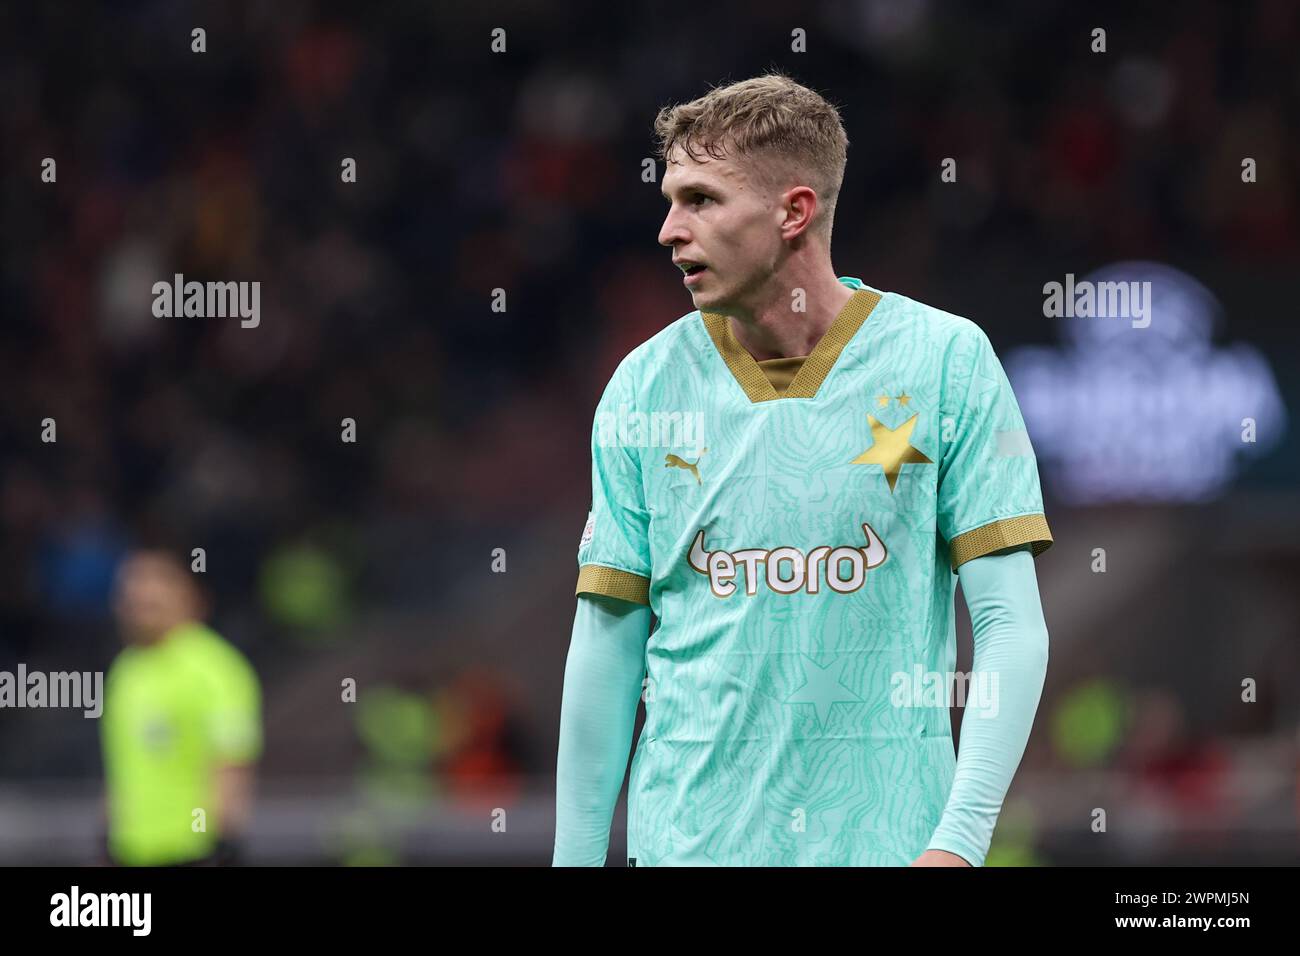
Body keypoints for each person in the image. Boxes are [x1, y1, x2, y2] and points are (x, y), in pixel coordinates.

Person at [554, 72, 1052, 866]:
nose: (669, 230)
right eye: (669, 200)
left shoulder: (945, 362)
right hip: (688, 848)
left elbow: (1009, 628)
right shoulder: (644, 387)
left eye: (702, 200)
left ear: (794, 211)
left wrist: (959, 845)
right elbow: (608, 645)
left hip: (889, 847)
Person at [100, 549, 262, 865]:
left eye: (152, 603)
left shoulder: (215, 668)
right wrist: (106, 839)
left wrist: (222, 844)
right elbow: (121, 768)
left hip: (192, 850)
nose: (139, 610)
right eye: (133, 602)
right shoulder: (126, 671)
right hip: (131, 851)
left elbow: (232, 763)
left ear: (188, 598)